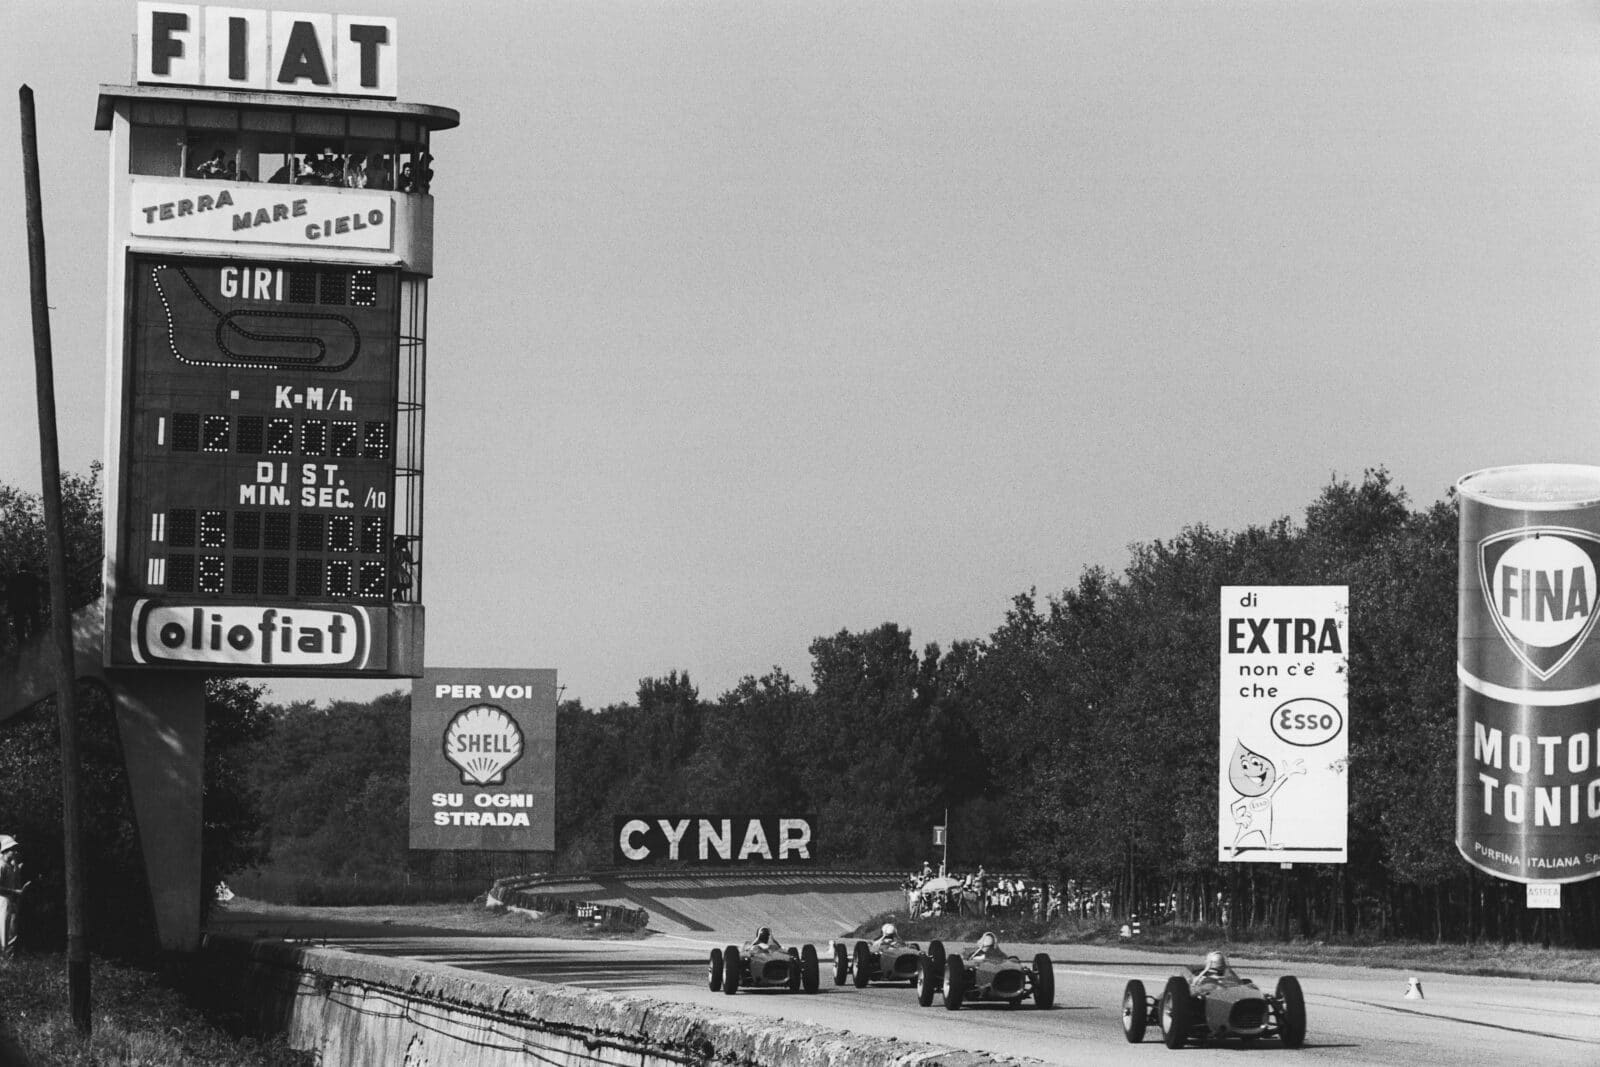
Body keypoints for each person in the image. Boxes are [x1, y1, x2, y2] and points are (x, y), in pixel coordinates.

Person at [0, 836, 26, 959]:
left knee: (11, 929)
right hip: (3, 900)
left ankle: (8, 958)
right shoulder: (1, 866)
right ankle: (4, 957)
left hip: (10, 900)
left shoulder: (10, 866)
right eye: (12, 849)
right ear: (6, 850)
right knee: (3, 929)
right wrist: (14, 891)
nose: (15, 852)